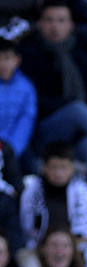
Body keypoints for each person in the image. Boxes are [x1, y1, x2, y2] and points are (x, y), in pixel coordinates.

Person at [18, 1, 87, 173]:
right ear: (40, 24)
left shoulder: (83, 53)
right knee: (77, 109)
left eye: (61, 20)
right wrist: (67, 106)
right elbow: (33, 101)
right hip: (45, 129)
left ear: (71, 25)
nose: (55, 26)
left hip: (83, 126)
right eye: (49, 20)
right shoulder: (27, 55)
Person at [19, 142, 87, 267]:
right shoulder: (31, 192)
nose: (58, 173)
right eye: (53, 167)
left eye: (63, 167)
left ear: (72, 168)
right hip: (41, 255)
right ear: (44, 168)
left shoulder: (84, 194)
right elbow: (27, 231)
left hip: (76, 256)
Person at [0, 38, 36, 173]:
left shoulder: (26, 87)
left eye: (6, 58)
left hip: (14, 145)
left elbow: (26, 120)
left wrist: (13, 149)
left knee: (34, 167)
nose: (2, 64)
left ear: (17, 60)